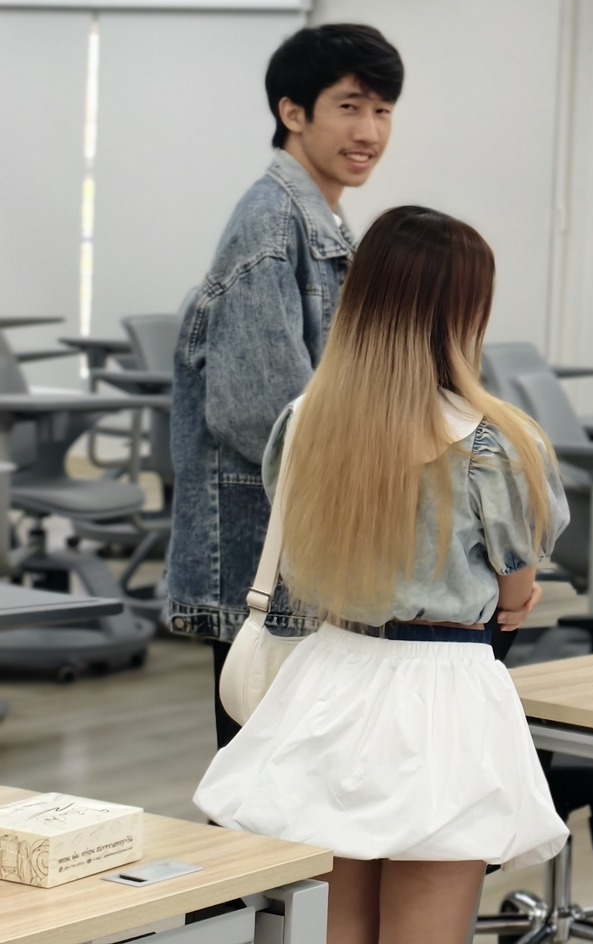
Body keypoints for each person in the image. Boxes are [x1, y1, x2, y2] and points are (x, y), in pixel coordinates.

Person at [195, 207, 569, 944]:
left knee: (332, 930)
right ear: (464, 310)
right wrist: (513, 595)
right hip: (440, 699)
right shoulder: (493, 441)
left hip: (330, 678)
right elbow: (517, 587)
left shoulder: (305, 422)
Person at [167, 22, 403, 748]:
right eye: (349, 107)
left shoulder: (318, 219)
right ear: (292, 112)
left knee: (298, 786)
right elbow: (269, 416)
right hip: (266, 563)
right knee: (264, 793)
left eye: (383, 111)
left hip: (301, 555)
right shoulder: (271, 226)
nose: (369, 131)